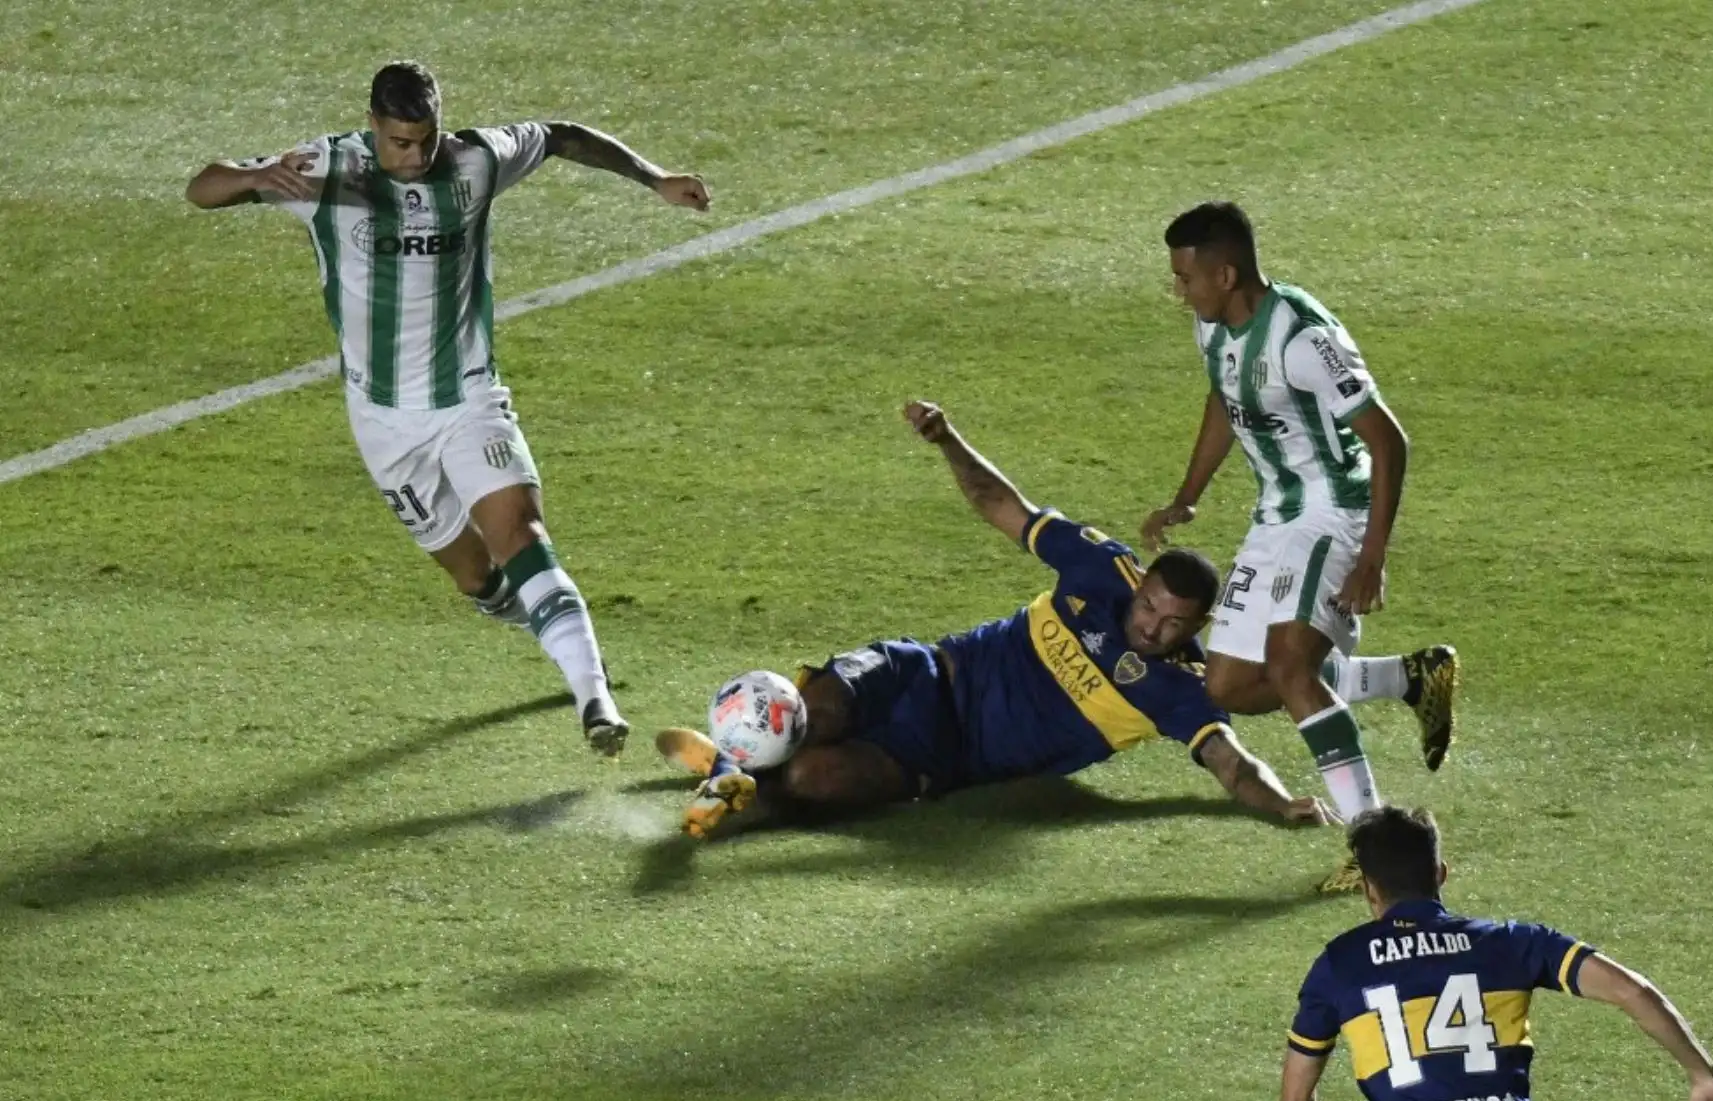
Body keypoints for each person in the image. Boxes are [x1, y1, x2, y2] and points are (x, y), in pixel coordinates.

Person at [183, 60, 711, 755]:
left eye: (425, 140)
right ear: (373, 125)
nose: (414, 156)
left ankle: (595, 698)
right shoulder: (326, 169)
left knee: (521, 533)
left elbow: (561, 135)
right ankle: (543, 627)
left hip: (468, 398)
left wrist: (655, 177)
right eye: (400, 142)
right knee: (476, 576)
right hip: (384, 424)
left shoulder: (474, 160)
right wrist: (254, 177)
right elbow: (202, 187)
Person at [656, 400, 1338, 840]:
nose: (1150, 627)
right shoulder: (1101, 569)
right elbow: (1001, 503)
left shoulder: (1182, 690)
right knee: (821, 707)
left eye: (1171, 624)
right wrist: (947, 438)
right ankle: (738, 766)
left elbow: (1232, 765)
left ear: (1197, 628)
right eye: (1149, 606)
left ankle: (744, 776)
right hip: (927, 671)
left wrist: (1284, 804)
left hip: (945, 755)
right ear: (1142, 584)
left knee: (815, 779)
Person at [1140, 202, 1456, 824]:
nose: (1179, 292)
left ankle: (1371, 837)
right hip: (1277, 515)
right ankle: (1411, 678)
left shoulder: (1304, 340)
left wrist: (1372, 559)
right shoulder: (1212, 327)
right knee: (1229, 685)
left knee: (1288, 666)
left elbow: (1388, 441)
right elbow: (1224, 398)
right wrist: (1187, 494)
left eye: (1185, 278)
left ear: (1224, 275)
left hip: (1335, 509)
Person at [1278, 806, 1713, 1101]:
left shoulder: (1340, 964)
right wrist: (1703, 1075)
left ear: (1368, 889)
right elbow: (1632, 990)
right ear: (1440, 873)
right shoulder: (1511, 942)